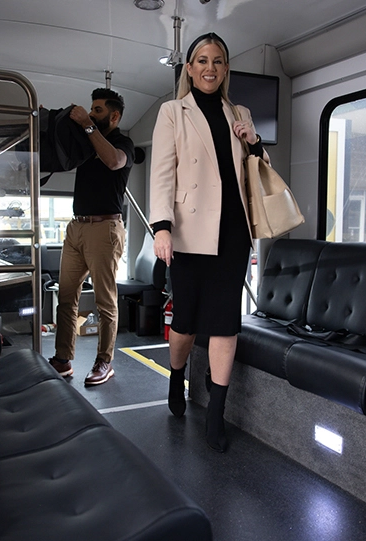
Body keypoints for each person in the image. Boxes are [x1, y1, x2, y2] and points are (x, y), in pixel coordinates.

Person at [149, 33, 265, 452]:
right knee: (185, 321)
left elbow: (260, 170)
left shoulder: (241, 112)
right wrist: (161, 226)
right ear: (190, 68)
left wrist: (252, 140)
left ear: (226, 68)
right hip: (189, 229)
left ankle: (216, 412)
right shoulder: (172, 112)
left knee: (224, 323)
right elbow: (161, 173)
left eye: (218, 60)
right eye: (201, 60)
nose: (210, 67)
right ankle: (177, 374)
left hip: (234, 231)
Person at [48, 88, 135, 385]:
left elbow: (113, 161)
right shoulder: (86, 141)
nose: (92, 114)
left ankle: (104, 361)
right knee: (66, 297)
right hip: (77, 228)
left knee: (104, 302)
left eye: (98, 110)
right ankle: (63, 359)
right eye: (91, 109)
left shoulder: (124, 143)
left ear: (114, 116)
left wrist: (87, 124)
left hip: (104, 229)